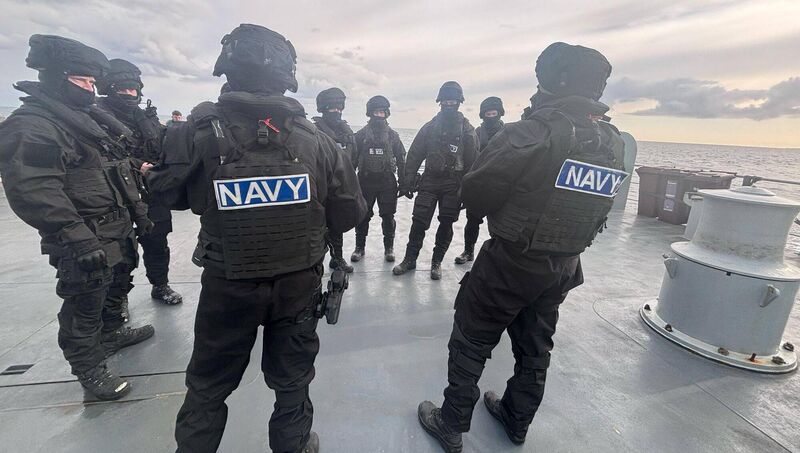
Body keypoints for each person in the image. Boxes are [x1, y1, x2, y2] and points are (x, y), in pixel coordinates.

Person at [146, 24, 365, 453]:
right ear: (287, 77)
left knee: (208, 385)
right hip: (297, 283)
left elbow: (168, 193)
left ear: (228, 70)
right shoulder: (318, 139)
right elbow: (349, 212)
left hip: (228, 283)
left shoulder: (196, 130)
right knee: (293, 381)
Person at [417, 42, 626, 452]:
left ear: (552, 79)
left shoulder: (530, 132)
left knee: (471, 339)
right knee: (536, 345)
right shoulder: (612, 141)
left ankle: (451, 423)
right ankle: (517, 419)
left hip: (511, 263)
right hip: (565, 264)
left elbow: (477, 195)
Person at [0, 35, 154, 401]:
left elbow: (107, 166)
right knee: (85, 303)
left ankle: (113, 331)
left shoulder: (82, 122)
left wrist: (139, 170)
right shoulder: (34, 126)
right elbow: (35, 189)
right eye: (81, 81)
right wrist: (75, 235)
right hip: (83, 234)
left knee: (118, 283)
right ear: (55, 77)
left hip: (114, 226)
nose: (89, 88)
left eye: (91, 82)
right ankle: (89, 369)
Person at [96, 59, 183, 306]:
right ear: (108, 88)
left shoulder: (147, 119)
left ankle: (160, 285)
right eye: (122, 90)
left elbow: (165, 148)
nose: (128, 94)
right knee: (120, 249)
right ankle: (118, 297)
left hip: (150, 191)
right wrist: (136, 166)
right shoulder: (94, 117)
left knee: (157, 241)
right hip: (113, 195)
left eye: (132, 90)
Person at [392, 81, 478, 280]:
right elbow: (414, 156)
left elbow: (473, 165)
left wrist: (468, 191)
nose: (449, 104)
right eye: (446, 100)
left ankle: (436, 261)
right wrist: (406, 181)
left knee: (446, 223)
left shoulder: (467, 130)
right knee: (418, 221)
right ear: (440, 102)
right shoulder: (430, 127)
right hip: (429, 180)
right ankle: (409, 259)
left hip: (453, 184)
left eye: (453, 100)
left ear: (459, 102)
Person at [350, 95, 406, 263]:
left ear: (387, 113)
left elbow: (402, 159)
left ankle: (389, 248)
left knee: (388, 216)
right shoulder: (360, 136)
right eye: (376, 112)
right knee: (363, 216)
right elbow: (351, 161)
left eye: (382, 112)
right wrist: (348, 183)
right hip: (365, 182)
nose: (379, 115)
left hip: (387, 182)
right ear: (370, 113)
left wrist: (404, 183)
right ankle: (360, 248)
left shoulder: (393, 136)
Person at [454, 96, 505, 265]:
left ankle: (498, 256)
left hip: (500, 185)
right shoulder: (475, 133)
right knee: (472, 221)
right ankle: (468, 252)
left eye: (494, 112)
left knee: (500, 223)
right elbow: (467, 160)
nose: (491, 116)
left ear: (500, 113)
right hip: (479, 185)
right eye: (488, 113)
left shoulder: (508, 134)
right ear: (483, 115)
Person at [312, 87, 357, 273]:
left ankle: (337, 258)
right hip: (318, 188)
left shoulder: (347, 132)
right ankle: (315, 260)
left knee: (336, 225)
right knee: (316, 227)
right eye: (332, 109)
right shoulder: (313, 131)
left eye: (339, 108)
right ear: (323, 109)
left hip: (339, 187)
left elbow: (353, 157)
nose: (336, 112)